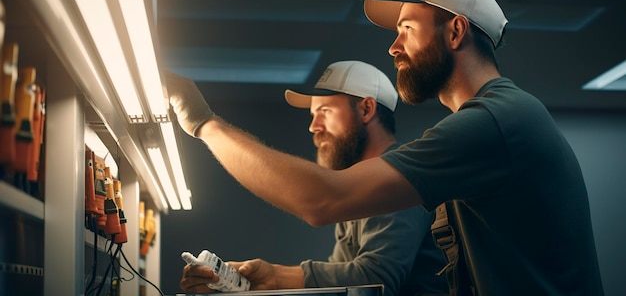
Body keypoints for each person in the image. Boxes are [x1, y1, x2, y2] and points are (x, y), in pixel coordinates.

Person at [169, 0, 604, 295]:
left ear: (455, 30)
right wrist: (274, 276)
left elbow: (323, 200)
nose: (394, 48)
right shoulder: (493, 119)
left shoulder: (495, 121)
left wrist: (205, 124)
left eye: (407, 29)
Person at [180, 60, 448, 296]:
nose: (313, 126)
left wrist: (276, 276)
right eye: (313, 115)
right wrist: (258, 280)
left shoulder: (397, 181)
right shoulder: (357, 190)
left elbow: (377, 281)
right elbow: (340, 277)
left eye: (326, 112)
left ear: (366, 110)